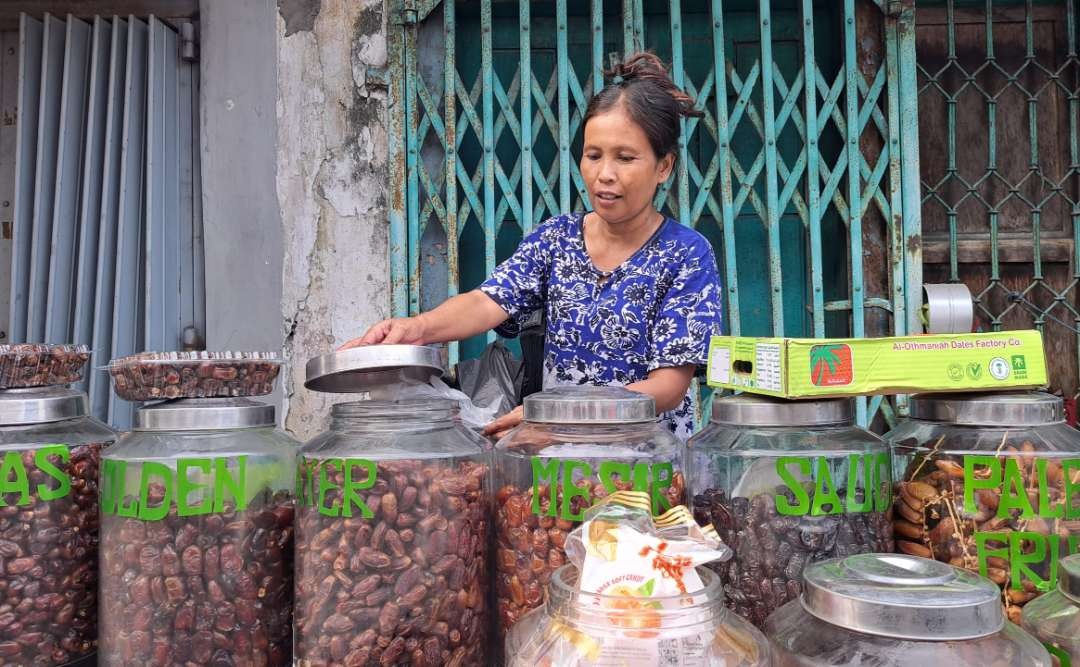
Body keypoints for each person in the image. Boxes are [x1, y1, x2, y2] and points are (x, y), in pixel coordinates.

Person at [342, 52, 723, 441]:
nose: (604, 174)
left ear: (664, 167)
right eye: (593, 156)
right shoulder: (557, 239)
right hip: (557, 460)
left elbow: (668, 387)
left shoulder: (686, 254)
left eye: (625, 158)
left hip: (646, 461)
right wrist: (415, 328)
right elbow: (486, 301)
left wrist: (557, 415)